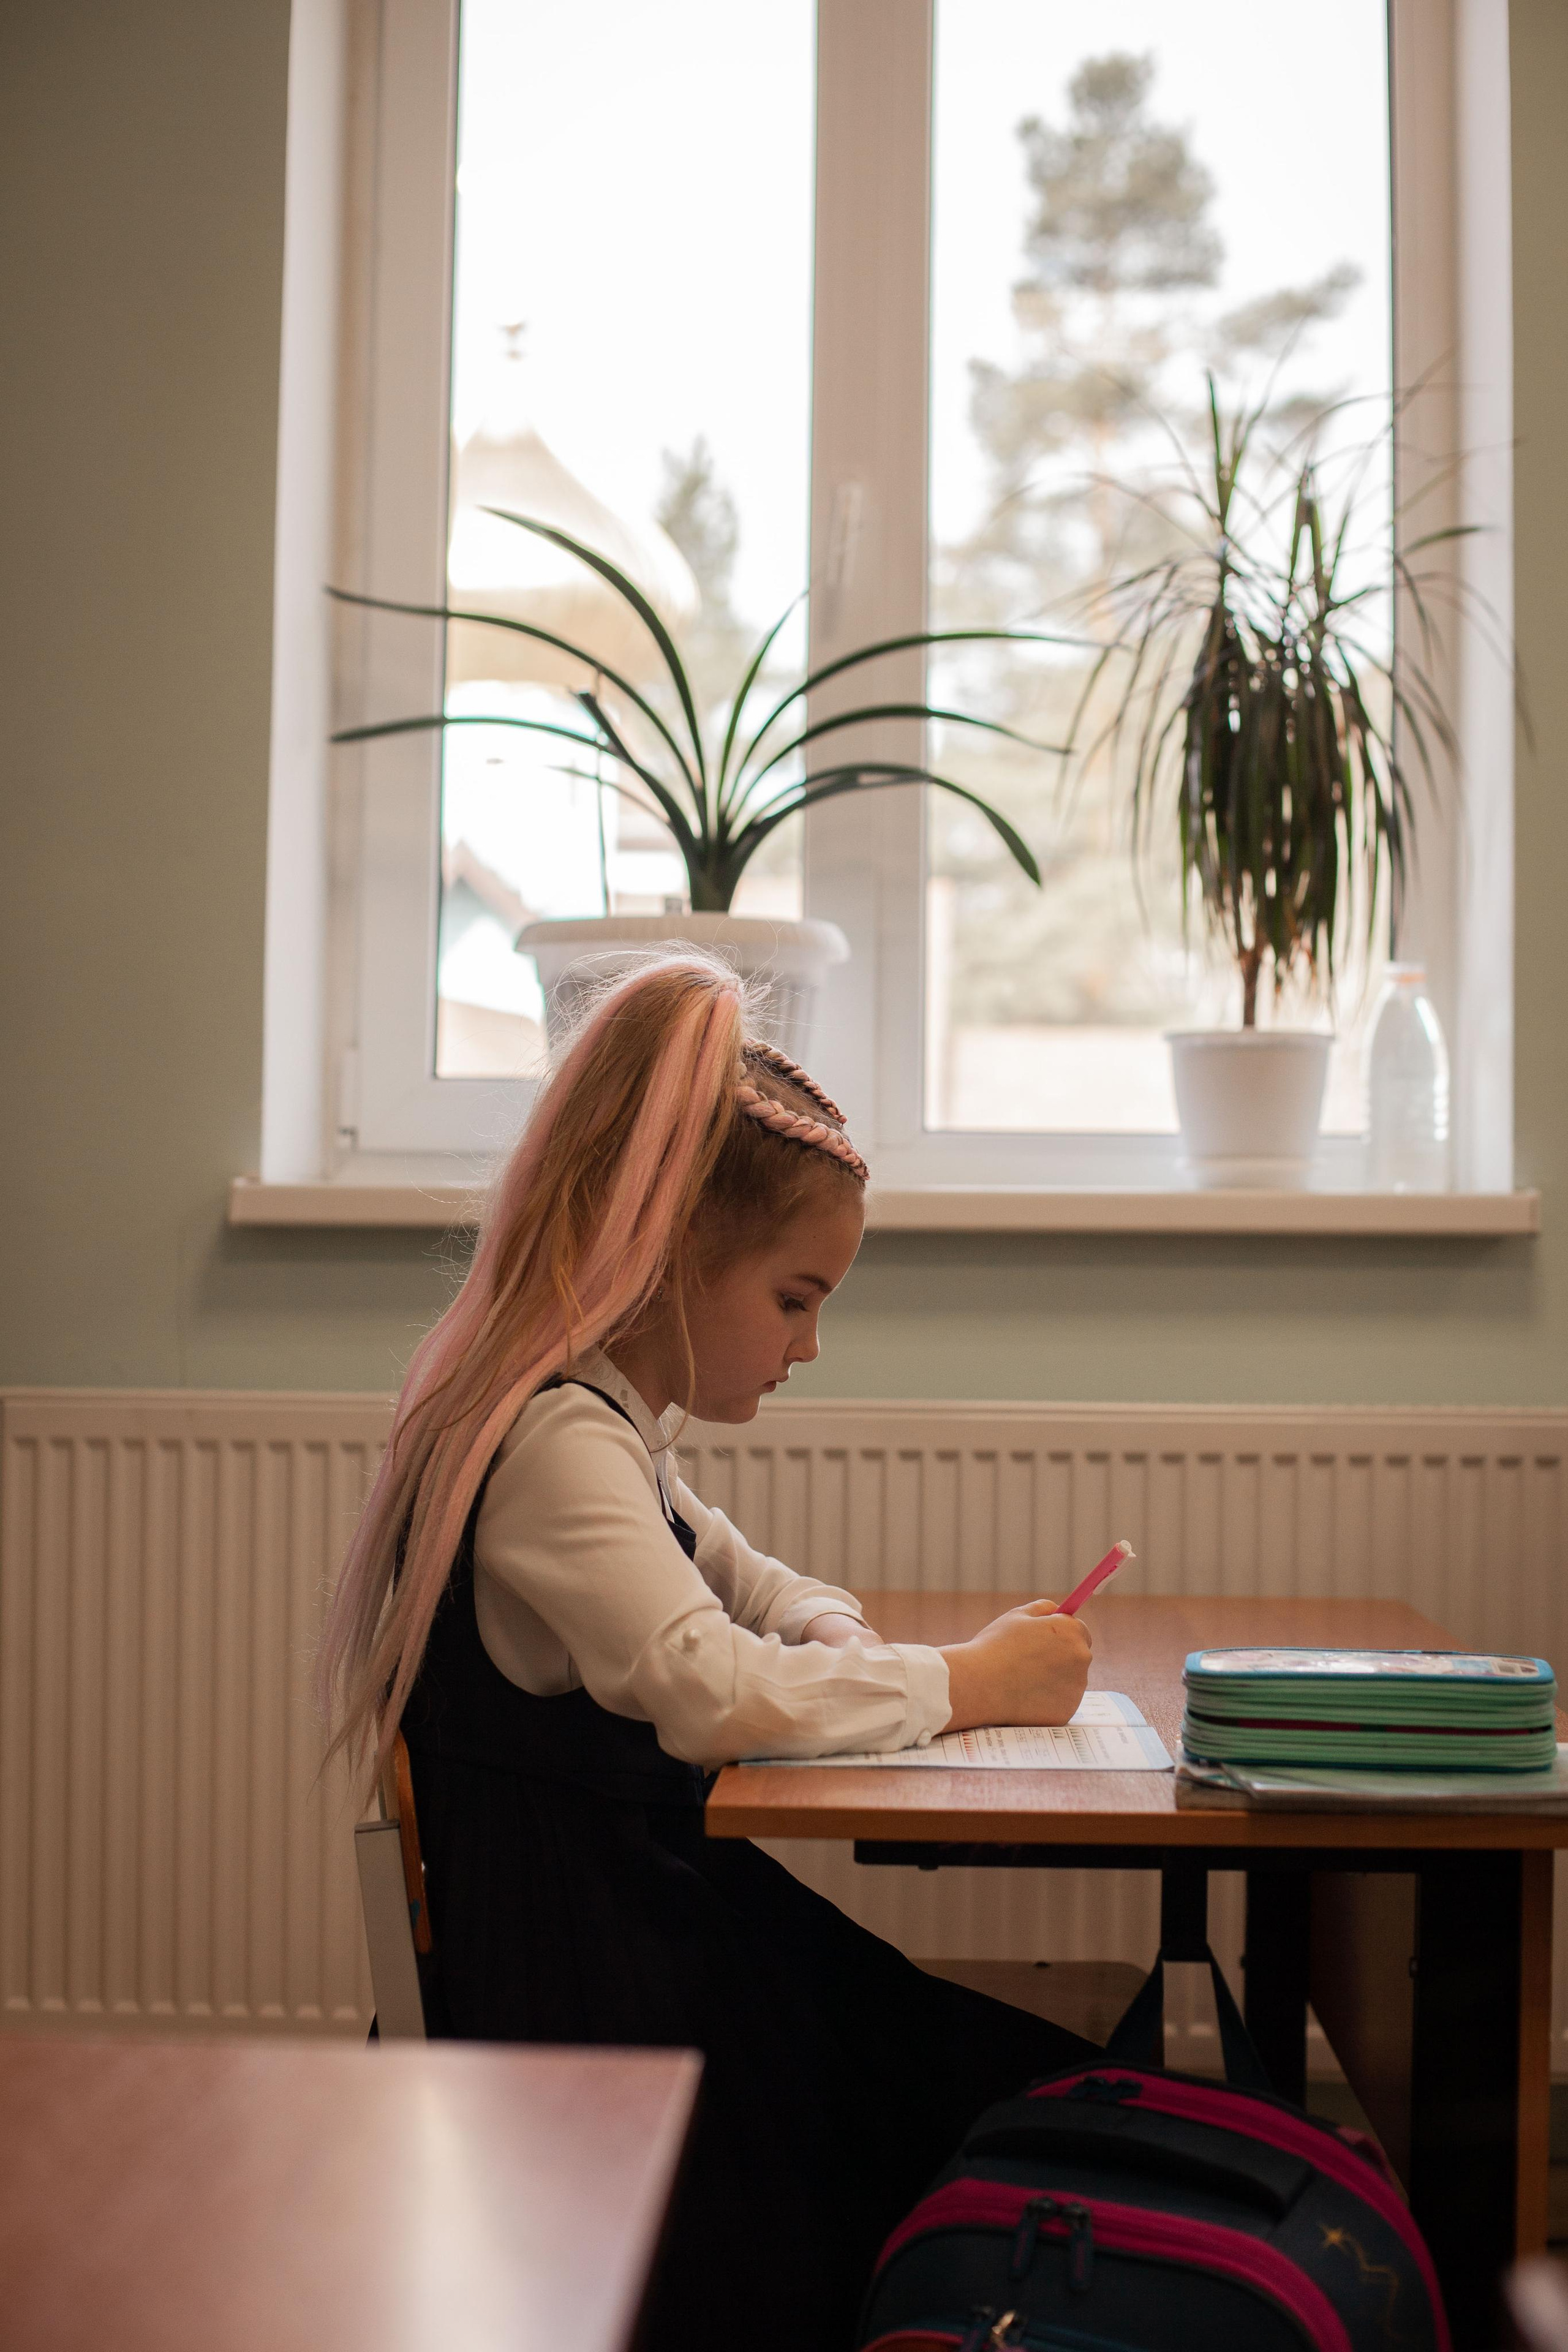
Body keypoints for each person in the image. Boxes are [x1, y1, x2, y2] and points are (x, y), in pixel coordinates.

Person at [320, 956, 1096, 2352]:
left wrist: (841, 1637)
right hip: (607, 2007)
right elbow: (704, 1688)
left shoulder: (609, 1426)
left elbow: (760, 1590)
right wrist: (961, 1684)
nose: (810, 1345)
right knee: (1018, 2107)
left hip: (652, 1949)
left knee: (1025, 2082)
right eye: (796, 1298)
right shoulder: (555, 1442)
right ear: (676, 1256)